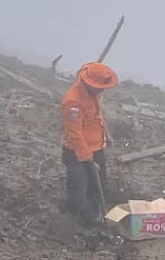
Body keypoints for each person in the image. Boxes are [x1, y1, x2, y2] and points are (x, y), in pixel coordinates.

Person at [62, 62, 119, 229]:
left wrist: (106, 134)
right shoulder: (73, 102)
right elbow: (75, 135)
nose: (102, 90)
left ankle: (94, 218)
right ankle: (74, 219)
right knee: (79, 191)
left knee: (98, 185)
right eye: (99, 87)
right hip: (76, 153)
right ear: (89, 83)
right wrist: (88, 161)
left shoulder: (94, 94)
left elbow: (97, 116)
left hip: (97, 148)